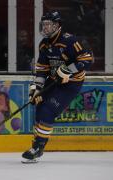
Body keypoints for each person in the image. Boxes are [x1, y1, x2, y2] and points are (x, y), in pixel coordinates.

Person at [21, 11, 94, 163]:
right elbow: (42, 70)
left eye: (48, 24)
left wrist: (69, 70)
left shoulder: (71, 41)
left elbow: (88, 59)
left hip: (71, 84)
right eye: (44, 24)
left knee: (49, 110)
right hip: (53, 80)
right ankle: (36, 145)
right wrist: (36, 87)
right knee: (39, 106)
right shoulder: (44, 44)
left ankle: (38, 147)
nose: (45, 27)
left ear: (57, 25)